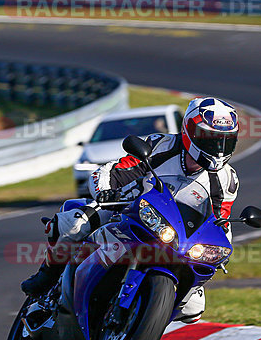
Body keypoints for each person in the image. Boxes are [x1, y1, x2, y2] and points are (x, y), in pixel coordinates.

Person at [21, 97, 240, 323]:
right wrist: (105, 192)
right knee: (72, 224)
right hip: (128, 209)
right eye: (211, 139)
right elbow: (110, 172)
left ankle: (143, 319)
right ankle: (47, 277)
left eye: (226, 141)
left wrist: (219, 250)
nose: (218, 148)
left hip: (178, 237)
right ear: (189, 131)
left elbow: (220, 221)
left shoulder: (227, 180)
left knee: (193, 308)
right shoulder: (160, 146)